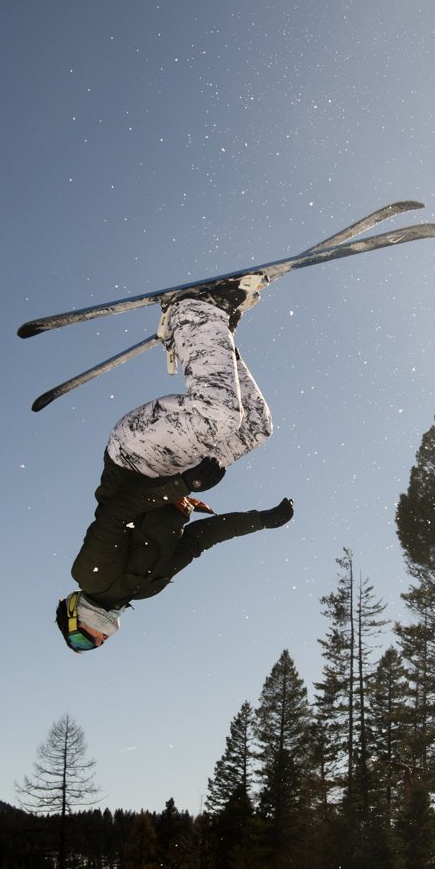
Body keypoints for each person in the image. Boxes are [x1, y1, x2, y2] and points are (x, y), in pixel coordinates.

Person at [55, 278, 294, 652]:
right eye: (91, 646)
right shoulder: (144, 588)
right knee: (254, 428)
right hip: (172, 472)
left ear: (74, 618)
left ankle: (192, 312)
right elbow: (199, 541)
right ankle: (212, 329)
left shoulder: (91, 577)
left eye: (79, 639)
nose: (95, 641)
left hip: (135, 455)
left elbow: (117, 513)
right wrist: (260, 520)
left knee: (218, 416)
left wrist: (183, 488)